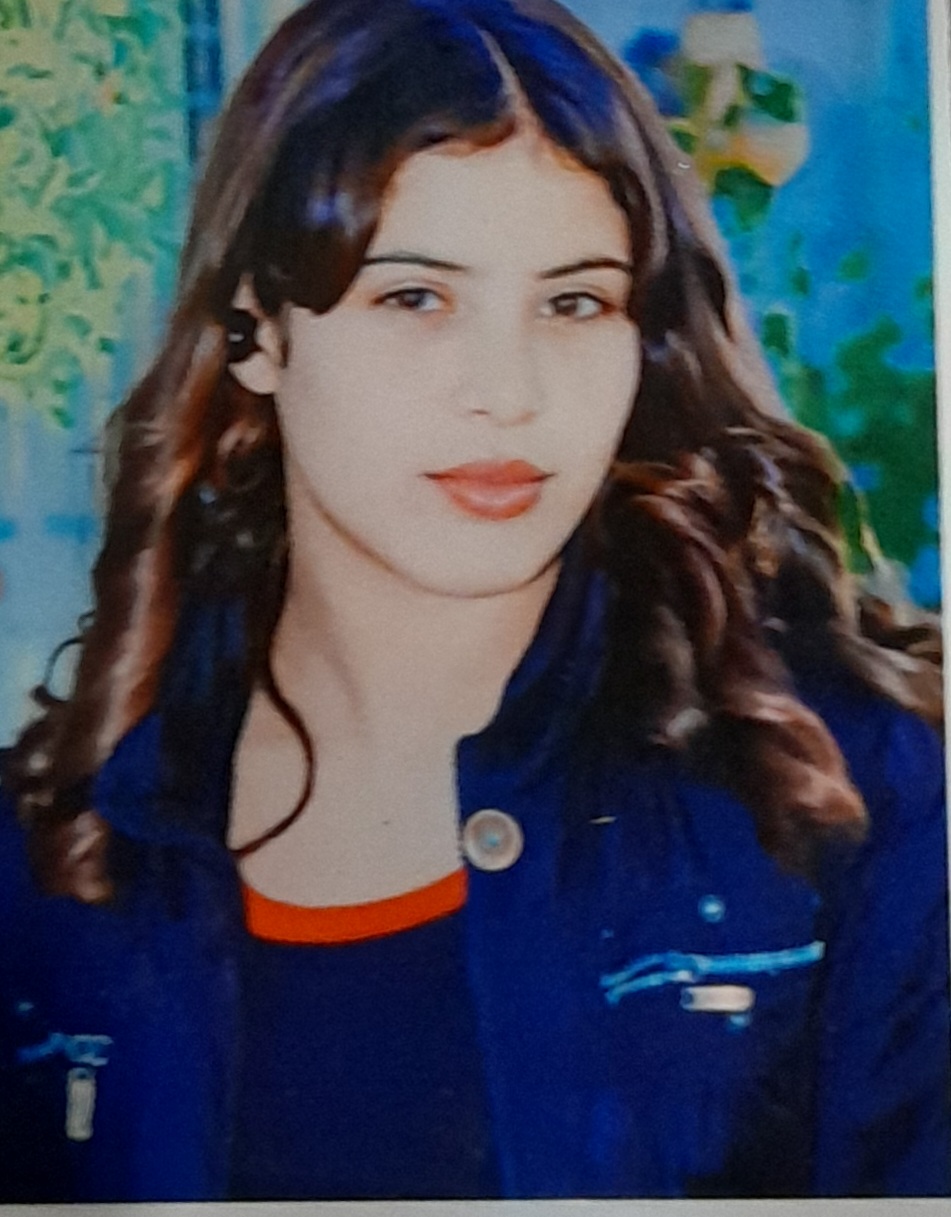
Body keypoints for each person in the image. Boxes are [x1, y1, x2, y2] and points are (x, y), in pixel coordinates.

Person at [0, 0, 948, 1201]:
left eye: (574, 302)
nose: (507, 390)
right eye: (416, 297)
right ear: (256, 331)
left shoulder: (858, 790)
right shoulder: (50, 860)